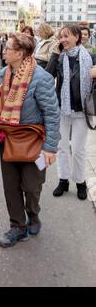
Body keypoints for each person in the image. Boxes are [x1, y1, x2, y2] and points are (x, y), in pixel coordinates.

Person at [0, 33, 60, 248]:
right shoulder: (5, 73)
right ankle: (18, 226)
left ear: (21, 53)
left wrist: (50, 148)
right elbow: (3, 105)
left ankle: (33, 214)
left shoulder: (41, 78)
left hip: (33, 140)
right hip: (8, 138)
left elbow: (52, 114)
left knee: (32, 186)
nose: (4, 51)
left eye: (8, 48)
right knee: (11, 187)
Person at [46, 25, 95, 200]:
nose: (63, 39)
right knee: (61, 147)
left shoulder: (90, 57)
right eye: (60, 37)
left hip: (82, 111)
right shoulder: (60, 58)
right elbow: (47, 76)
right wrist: (54, 54)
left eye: (66, 36)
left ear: (76, 37)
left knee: (78, 148)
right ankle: (63, 180)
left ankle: (80, 181)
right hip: (62, 109)